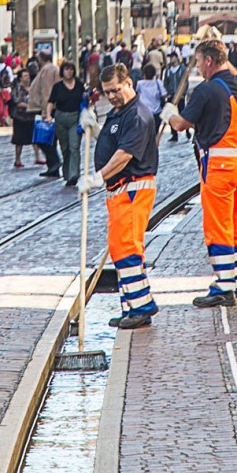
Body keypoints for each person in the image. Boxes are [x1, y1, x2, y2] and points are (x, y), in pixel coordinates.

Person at [160, 38, 237, 308]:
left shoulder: (205, 90)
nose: (199, 67)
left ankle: (224, 287)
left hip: (220, 169)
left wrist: (169, 113)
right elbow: (233, 70)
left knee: (218, 230)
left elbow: (181, 125)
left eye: (200, 61)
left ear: (210, 61)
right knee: (235, 230)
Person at [77, 63, 160, 329]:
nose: (111, 96)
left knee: (127, 247)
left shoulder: (136, 114)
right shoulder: (119, 112)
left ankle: (141, 307)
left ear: (128, 83)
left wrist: (97, 178)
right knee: (119, 247)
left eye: (115, 90)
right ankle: (131, 306)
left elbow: (124, 155)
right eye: (106, 92)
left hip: (132, 187)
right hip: (120, 192)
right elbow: (114, 141)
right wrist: (96, 129)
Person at [46, 61, 84, 187]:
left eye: (71, 69)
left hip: (75, 117)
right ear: (62, 71)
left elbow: (84, 100)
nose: (69, 71)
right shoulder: (57, 87)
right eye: (67, 69)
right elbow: (51, 102)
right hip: (60, 118)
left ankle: (74, 175)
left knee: (74, 146)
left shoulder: (79, 85)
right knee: (65, 147)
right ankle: (67, 173)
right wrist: (48, 116)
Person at [27, 50, 62, 177]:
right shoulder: (50, 69)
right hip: (49, 107)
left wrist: (45, 110)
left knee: (44, 139)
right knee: (48, 138)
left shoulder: (48, 70)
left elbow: (47, 90)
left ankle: (54, 162)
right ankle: (53, 166)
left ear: (42, 59)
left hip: (48, 109)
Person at [9, 68, 37, 168]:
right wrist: (30, 106)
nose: (27, 78)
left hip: (31, 116)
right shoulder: (17, 88)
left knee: (35, 138)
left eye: (28, 76)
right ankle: (17, 160)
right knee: (19, 140)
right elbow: (17, 101)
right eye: (25, 76)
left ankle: (38, 157)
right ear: (20, 78)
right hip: (20, 117)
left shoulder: (33, 87)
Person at [162, 51, 190, 142]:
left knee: (183, 114)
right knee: (171, 115)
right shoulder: (168, 70)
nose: (171, 59)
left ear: (177, 58)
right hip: (171, 95)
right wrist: (167, 91)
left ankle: (187, 130)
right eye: (170, 57)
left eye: (173, 57)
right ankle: (174, 134)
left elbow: (185, 82)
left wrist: (183, 93)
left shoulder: (182, 69)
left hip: (180, 95)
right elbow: (165, 82)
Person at [136, 63, 167, 134]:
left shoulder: (140, 84)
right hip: (156, 112)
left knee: (144, 134)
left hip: (144, 113)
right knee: (155, 133)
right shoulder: (158, 82)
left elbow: (136, 94)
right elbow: (164, 94)